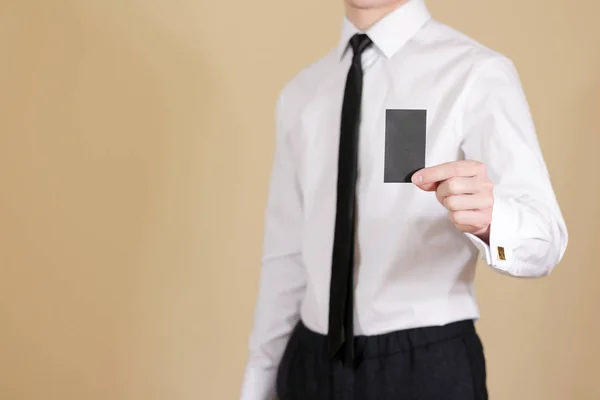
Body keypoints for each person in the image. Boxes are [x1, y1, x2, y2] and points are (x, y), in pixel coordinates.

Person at [240, 0, 568, 399]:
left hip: (425, 368)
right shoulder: (301, 93)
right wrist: (259, 381)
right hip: (308, 363)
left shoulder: (475, 72)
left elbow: (546, 239)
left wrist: (492, 219)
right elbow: (285, 255)